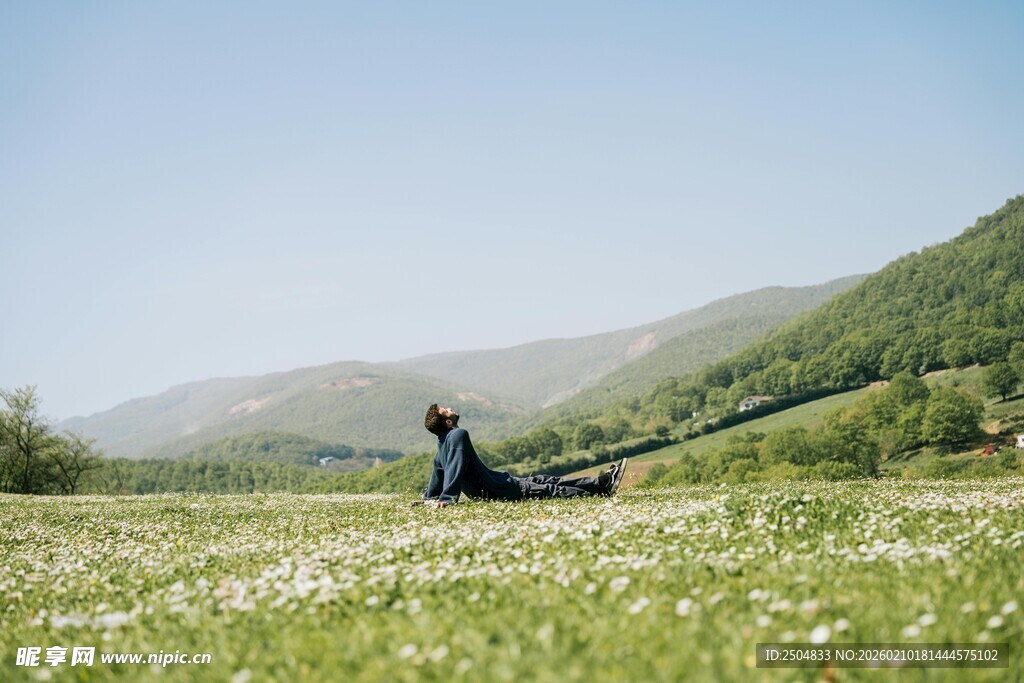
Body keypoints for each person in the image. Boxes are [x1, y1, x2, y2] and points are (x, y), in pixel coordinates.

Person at [418, 404, 627, 508]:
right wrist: (447, 499)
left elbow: (439, 472)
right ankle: (602, 489)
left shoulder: (442, 444)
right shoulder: (457, 435)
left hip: (499, 482)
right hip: (498, 490)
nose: (450, 409)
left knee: (545, 480)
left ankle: (600, 483)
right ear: (447, 422)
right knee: (550, 490)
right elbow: (454, 468)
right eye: (446, 410)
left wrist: (429, 497)